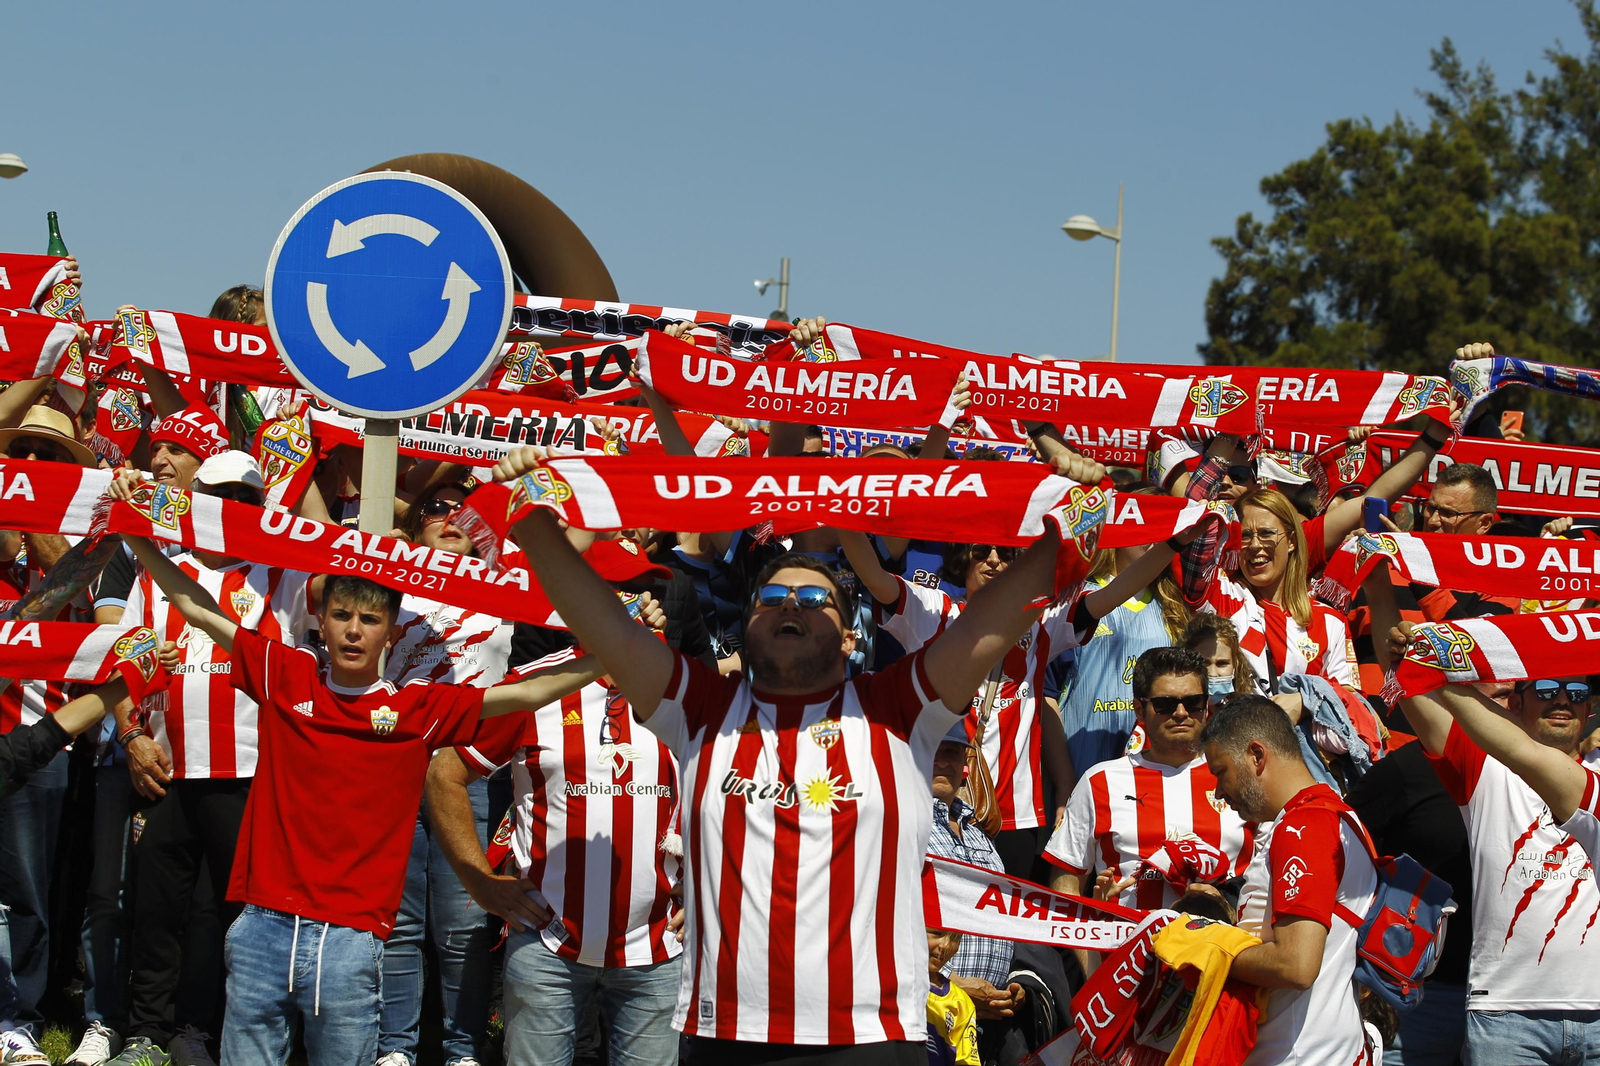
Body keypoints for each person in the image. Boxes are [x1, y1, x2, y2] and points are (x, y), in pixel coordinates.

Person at [495, 442, 1107, 1064]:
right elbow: (600, 622)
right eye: (770, 599)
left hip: (868, 1037)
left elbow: (994, 615)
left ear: (849, 636)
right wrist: (536, 510)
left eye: (815, 601)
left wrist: (1069, 503)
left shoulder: (900, 707)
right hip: (724, 1036)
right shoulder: (700, 705)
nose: (790, 605)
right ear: (747, 626)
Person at [116, 527, 609, 1066]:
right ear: (320, 622)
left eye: (370, 620)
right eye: (342, 615)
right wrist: (136, 535)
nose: (354, 631)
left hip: (352, 941)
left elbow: (530, 691)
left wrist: (618, 648)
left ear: (392, 635)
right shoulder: (286, 674)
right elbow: (196, 604)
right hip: (262, 926)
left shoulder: (419, 709)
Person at [103, 454, 310, 1066]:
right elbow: (123, 662)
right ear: (194, 498)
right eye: (218, 495)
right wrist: (131, 736)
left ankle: (199, 1028)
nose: (231, 507)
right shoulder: (157, 575)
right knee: (154, 908)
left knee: (225, 914)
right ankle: (145, 1032)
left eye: (246, 498)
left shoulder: (284, 576)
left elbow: (345, 570)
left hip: (248, 773)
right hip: (166, 770)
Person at [427, 590, 681, 1066]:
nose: (628, 603)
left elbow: (723, 788)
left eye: (637, 591)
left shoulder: (683, 684)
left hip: (658, 948)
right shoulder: (536, 684)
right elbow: (446, 773)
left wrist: (705, 895)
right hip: (547, 943)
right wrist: (479, 881)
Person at [375, 481, 517, 1066]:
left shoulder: (506, 585)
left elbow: (569, 544)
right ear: (411, 530)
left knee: (462, 924)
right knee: (399, 922)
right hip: (395, 764)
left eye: (464, 510)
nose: (451, 517)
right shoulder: (386, 584)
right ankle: (395, 1050)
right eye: (435, 508)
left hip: (472, 770)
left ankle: (462, 1051)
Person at [1397, 660, 1600, 1064]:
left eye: (1576, 692)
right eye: (1546, 688)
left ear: (1590, 708)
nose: (1562, 699)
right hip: (1506, 1016)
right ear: (1514, 702)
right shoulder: (1486, 767)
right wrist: (1407, 645)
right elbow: (1412, 694)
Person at [0, 405, 102, 1062]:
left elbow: (82, 599)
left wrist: (34, 521)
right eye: (23, 453)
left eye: (48, 457)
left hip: (50, 741)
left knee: (32, 893)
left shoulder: (78, 538)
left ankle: (23, 1017)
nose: (32, 466)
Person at [1045, 647, 1255, 969]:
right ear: (1139, 710)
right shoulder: (1100, 781)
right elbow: (1065, 880)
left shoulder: (1239, 777)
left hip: (1225, 968)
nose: (1182, 713)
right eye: (1166, 704)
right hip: (1126, 976)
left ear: (1206, 707)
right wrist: (1091, 969)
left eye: (1193, 702)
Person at [1202, 695, 1378, 1066]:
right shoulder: (1332, 815)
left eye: (1221, 773)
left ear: (1256, 755)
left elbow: (1295, 965)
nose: (1219, 791)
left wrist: (1202, 946)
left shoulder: (1305, 825)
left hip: (1301, 1054)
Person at [925, 723, 1026, 1029]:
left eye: (952, 752)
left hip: (985, 1021)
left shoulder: (977, 830)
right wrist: (949, 985)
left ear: (964, 764)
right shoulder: (898, 823)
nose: (943, 761)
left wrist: (1012, 983)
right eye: (933, 751)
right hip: (928, 1012)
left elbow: (1005, 912)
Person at [924, 929, 979, 1066]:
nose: (946, 945)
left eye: (955, 939)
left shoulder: (962, 1003)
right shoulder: (888, 980)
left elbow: (966, 1061)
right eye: (937, 933)